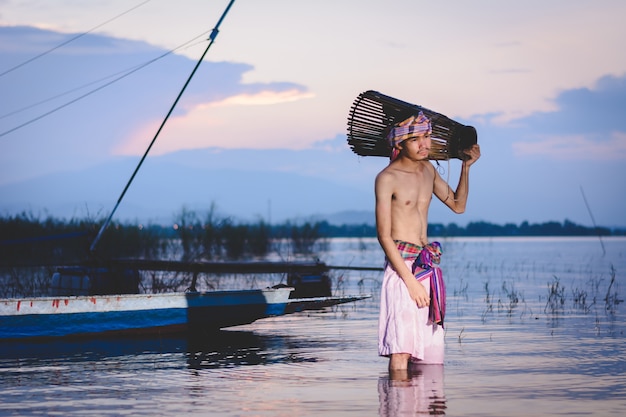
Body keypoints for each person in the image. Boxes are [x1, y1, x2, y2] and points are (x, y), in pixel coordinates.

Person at [376, 111, 480, 371]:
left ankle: (428, 406)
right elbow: (384, 236)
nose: (425, 145)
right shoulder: (387, 178)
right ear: (399, 144)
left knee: (432, 355)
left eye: (427, 136)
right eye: (416, 139)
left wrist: (465, 167)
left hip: (427, 267)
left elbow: (458, 205)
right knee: (401, 351)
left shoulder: (428, 170)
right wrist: (410, 282)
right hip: (403, 271)